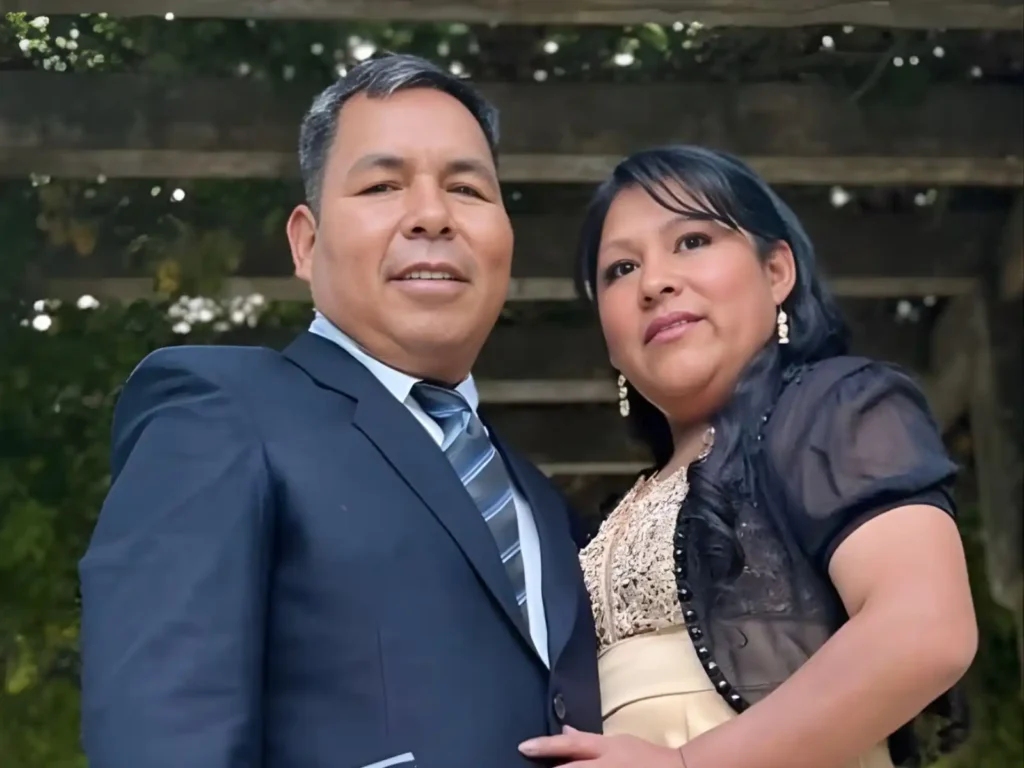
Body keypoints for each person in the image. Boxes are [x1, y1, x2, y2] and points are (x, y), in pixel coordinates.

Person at [79, 53, 601, 768]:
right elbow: (163, 734)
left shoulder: (540, 504)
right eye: (383, 185)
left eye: (467, 189)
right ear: (306, 242)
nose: (432, 216)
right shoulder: (221, 410)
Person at [518, 146, 977, 768]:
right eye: (621, 269)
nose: (653, 283)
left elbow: (925, 629)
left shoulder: (836, 406)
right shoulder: (623, 506)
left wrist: (686, 765)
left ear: (777, 271)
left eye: (692, 241)